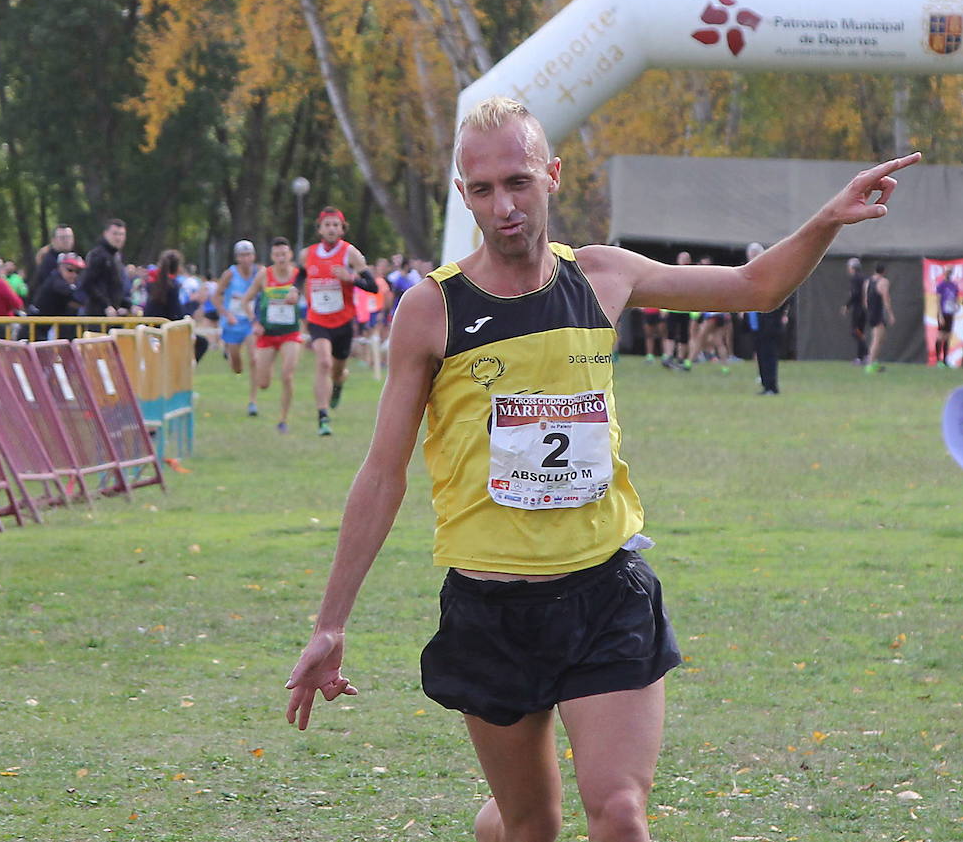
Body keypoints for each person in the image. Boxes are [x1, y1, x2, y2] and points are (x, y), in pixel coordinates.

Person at [284, 96, 920, 842]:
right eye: (483, 189)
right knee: (530, 827)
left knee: (617, 812)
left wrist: (825, 221)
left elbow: (754, 287)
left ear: (552, 176)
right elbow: (382, 474)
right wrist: (331, 622)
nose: (504, 205)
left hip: (603, 593)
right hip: (491, 609)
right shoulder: (433, 310)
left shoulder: (602, 276)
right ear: (463, 194)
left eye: (519, 181)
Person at [298, 208, 376, 436]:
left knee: (337, 371)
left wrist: (350, 278)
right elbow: (299, 277)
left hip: (343, 321)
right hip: (317, 319)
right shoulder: (307, 254)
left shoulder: (350, 254)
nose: (331, 229)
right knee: (323, 363)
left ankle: (338, 385)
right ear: (320, 228)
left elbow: (372, 286)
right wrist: (294, 291)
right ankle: (323, 417)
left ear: (342, 229)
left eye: (336, 225)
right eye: (327, 225)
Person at [242, 237, 305, 433]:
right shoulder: (264, 275)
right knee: (263, 383)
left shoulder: (298, 276)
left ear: (290, 255)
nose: (281, 258)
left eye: (284, 254)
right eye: (277, 255)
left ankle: (283, 419)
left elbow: (311, 302)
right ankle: (263, 379)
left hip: (291, 334)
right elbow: (246, 301)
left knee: (287, 375)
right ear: (272, 256)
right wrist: (255, 322)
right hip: (267, 335)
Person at [213, 240, 263, 417]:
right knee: (237, 368)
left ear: (254, 256)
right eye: (242, 255)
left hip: (250, 322)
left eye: (248, 254)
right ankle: (230, 354)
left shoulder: (260, 273)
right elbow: (216, 296)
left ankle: (253, 401)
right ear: (237, 258)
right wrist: (226, 314)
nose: (246, 259)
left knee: (255, 359)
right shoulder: (230, 274)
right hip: (233, 323)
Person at [145, 249, 209, 362]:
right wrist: (194, 304)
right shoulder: (172, 285)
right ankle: (184, 371)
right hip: (167, 330)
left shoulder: (152, 283)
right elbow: (176, 314)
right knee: (202, 343)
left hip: (149, 329)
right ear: (178, 267)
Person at [744, 242, 789, 394]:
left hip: (769, 322)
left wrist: (778, 314)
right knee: (760, 353)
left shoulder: (770, 272)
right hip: (756, 322)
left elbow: (784, 295)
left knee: (769, 354)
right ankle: (765, 384)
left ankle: (771, 386)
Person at [29, 252, 87, 340]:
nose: (74, 275)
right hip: (35, 330)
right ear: (60, 267)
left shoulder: (67, 283)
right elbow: (79, 299)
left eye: (78, 271)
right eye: (70, 270)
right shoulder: (56, 282)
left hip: (46, 330)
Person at [81, 219, 130, 322]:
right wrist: (106, 305)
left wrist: (127, 305)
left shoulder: (116, 256)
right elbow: (87, 283)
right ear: (105, 234)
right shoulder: (98, 255)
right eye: (115, 234)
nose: (118, 238)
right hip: (98, 316)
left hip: (113, 316)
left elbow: (116, 287)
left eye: (121, 234)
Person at [863, 262, 894, 373]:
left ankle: (873, 361)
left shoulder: (868, 282)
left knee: (880, 338)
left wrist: (869, 311)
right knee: (877, 340)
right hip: (878, 313)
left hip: (871, 312)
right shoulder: (883, 282)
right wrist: (890, 314)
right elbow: (886, 298)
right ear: (884, 271)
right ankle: (870, 364)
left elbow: (865, 300)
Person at [30, 224, 75, 295]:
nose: (66, 240)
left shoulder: (73, 258)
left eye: (69, 237)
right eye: (62, 238)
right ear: (53, 240)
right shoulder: (49, 261)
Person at [933, 266, 960, 367]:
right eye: (947, 272)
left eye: (950, 272)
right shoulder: (941, 285)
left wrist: (956, 306)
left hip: (950, 313)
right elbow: (938, 300)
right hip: (943, 313)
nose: (949, 274)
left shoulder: (954, 286)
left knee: (947, 337)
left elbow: (955, 299)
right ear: (944, 273)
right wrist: (940, 315)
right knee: (940, 336)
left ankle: (945, 359)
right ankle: (938, 360)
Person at [842, 256, 867, 363]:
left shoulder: (855, 278)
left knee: (856, 331)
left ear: (852, 268)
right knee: (859, 332)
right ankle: (861, 357)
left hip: (858, 309)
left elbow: (855, 294)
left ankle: (866, 354)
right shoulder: (863, 278)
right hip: (864, 309)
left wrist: (847, 306)